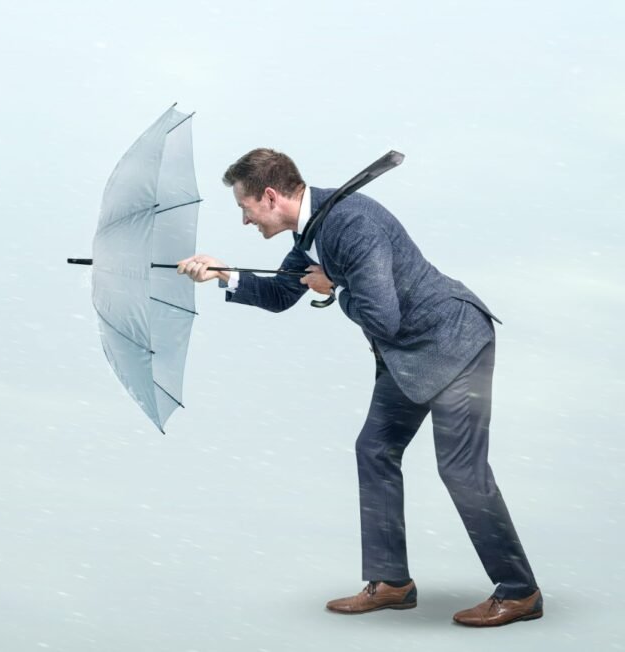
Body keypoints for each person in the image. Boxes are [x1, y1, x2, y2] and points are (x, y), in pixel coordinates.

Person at [177, 148, 541, 627]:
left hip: (455, 343)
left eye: (244, 208)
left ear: (269, 196)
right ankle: (391, 582)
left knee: (460, 469)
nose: (245, 220)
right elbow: (282, 294)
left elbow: (382, 318)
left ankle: (519, 592)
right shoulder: (312, 231)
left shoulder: (351, 225)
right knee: (375, 449)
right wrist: (224, 275)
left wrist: (335, 290)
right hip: (408, 355)